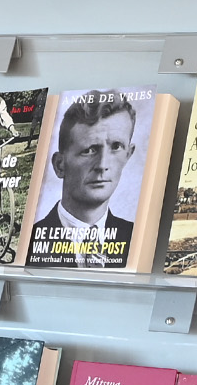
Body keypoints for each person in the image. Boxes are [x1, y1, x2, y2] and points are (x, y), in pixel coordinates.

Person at [32, 90, 138, 268]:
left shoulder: (137, 238)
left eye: (116, 147)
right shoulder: (30, 242)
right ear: (60, 165)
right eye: (89, 150)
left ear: (128, 154)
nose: (103, 165)